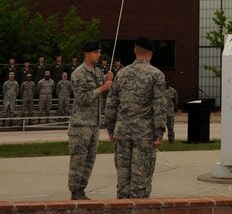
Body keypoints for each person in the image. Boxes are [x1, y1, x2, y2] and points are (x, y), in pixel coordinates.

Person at [105, 36, 167, 199]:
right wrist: (159, 132)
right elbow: (159, 106)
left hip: (122, 133)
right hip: (144, 136)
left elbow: (111, 103)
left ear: (135, 52)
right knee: (140, 182)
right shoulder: (156, 75)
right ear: (151, 54)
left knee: (123, 182)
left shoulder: (122, 73)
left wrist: (111, 129)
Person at [68, 39, 113, 200]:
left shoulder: (98, 72)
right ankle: (75, 190)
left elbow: (104, 95)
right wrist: (102, 87)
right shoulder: (78, 73)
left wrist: (108, 81)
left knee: (89, 159)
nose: (98, 55)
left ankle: (82, 189)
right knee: (78, 160)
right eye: (96, 52)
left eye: (99, 52)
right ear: (87, 53)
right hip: (81, 124)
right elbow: (82, 98)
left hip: (94, 123)